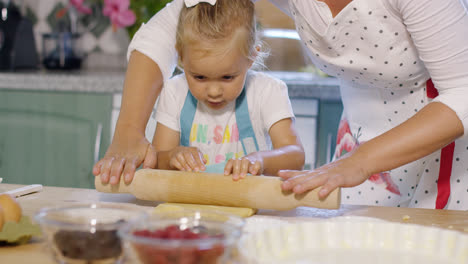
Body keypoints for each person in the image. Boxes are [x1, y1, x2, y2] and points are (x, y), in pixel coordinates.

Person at [94, 0, 468, 210]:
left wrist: (361, 162)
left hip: (444, 158)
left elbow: (463, 91)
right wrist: (128, 129)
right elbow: (172, 22)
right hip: (355, 153)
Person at [151, 0, 305, 179]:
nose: (214, 91)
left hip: (250, 203)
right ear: (181, 56)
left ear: (251, 57)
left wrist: (260, 161)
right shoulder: (174, 92)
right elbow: (157, 161)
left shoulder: (267, 91)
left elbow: (295, 156)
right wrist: (172, 157)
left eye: (227, 77)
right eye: (200, 77)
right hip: (190, 204)